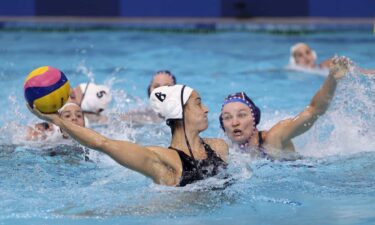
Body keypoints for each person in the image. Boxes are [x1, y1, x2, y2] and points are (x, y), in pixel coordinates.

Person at [28, 84, 228, 187]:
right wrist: (57, 120)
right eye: (198, 103)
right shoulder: (162, 162)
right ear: (179, 112)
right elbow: (102, 143)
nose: (207, 109)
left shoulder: (219, 148)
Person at [220, 56, 350, 159]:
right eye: (227, 117)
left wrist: (332, 79)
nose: (234, 122)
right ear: (222, 125)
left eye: (242, 115)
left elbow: (314, 110)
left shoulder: (273, 137)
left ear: (255, 119)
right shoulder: (225, 151)